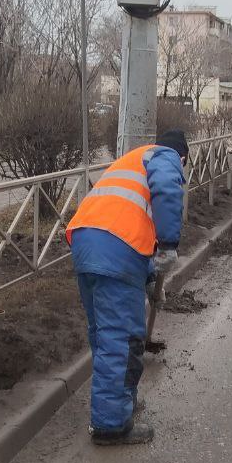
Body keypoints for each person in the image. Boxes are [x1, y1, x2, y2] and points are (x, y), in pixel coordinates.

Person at [66, 130, 188, 446]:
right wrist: (169, 244)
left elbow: (127, 220)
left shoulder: (133, 161)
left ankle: (120, 404)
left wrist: (149, 279)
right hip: (115, 250)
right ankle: (111, 425)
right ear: (182, 156)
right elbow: (166, 190)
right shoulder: (165, 156)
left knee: (105, 336)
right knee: (121, 340)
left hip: (86, 242)